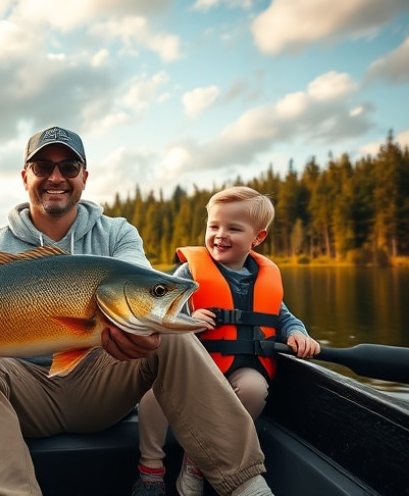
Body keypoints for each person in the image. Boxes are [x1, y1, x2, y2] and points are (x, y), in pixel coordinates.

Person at [0, 126, 273, 496]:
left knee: (171, 335)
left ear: (84, 177)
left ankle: (246, 486)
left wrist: (143, 334)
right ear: (24, 177)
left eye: (68, 167)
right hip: (25, 395)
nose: (55, 177)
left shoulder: (117, 233)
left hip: (102, 384)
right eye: (42, 166)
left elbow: (143, 288)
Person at [137, 186, 321, 496]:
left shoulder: (264, 277)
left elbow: (283, 316)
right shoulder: (189, 271)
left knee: (255, 389)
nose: (220, 235)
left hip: (237, 366)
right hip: (189, 370)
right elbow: (160, 309)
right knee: (154, 395)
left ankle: (195, 462)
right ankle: (150, 470)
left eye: (233, 228)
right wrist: (187, 319)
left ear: (257, 238)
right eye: (214, 226)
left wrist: (298, 333)